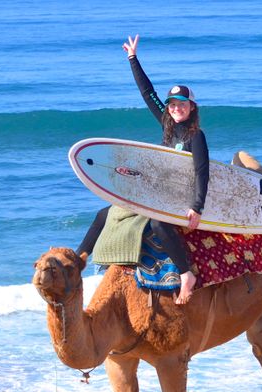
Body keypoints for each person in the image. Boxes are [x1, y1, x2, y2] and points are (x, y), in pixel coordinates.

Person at [77, 34, 209, 304]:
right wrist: (133, 58)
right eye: (173, 104)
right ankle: (79, 258)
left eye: (182, 104)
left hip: (181, 196)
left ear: (191, 107)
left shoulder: (196, 136)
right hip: (159, 190)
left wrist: (197, 207)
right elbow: (148, 93)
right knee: (105, 213)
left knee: (159, 223)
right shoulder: (167, 125)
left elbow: (201, 172)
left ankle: (186, 275)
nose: (176, 108)